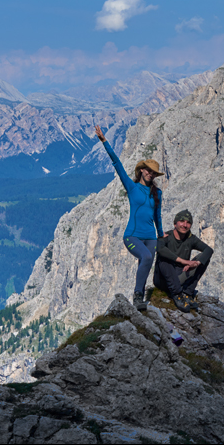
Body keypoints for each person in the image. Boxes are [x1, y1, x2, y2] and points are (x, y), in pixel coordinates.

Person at [95, 124, 164, 311]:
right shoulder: (132, 187)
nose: (150, 174)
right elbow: (117, 164)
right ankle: (137, 295)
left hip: (151, 236)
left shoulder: (157, 192)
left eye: (153, 172)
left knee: (148, 260)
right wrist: (104, 142)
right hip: (132, 235)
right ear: (141, 170)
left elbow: (157, 216)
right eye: (148, 170)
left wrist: (161, 234)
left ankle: (140, 298)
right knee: (147, 257)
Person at [154, 209, 213, 313]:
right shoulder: (166, 237)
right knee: (163, 259)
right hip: (163, 281)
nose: (185, 225)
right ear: (175, 223)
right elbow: (159, 248)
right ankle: (177, 295)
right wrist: (184, 261)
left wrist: (196, 264)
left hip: (180, 276)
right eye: (182, 221)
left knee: (203, 258)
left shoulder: (191, 238)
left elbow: (208, 250)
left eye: (188, 222)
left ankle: (187, 293)